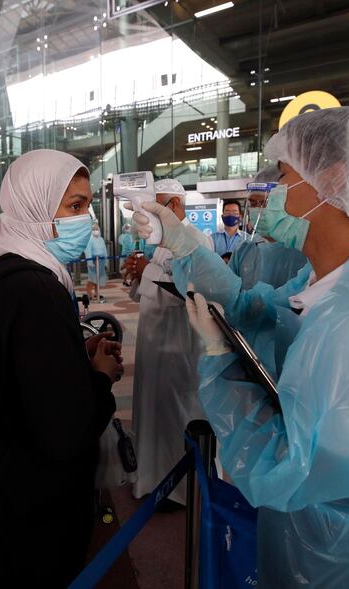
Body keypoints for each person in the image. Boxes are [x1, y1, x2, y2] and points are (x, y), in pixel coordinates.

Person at [134, 107, 349, 587]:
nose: (270, 194)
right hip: (309, 524)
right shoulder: (339, 274)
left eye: (281, 177)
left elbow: (286, 470)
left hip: (324, 538)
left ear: (333, 180)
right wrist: (183, 244)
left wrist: (222, 368)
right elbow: (253, 308)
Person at [0, 149, 122, 587]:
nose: (87, 219)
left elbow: (15, 374)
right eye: (74, 206)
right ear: (33, 207)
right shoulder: (35, 289)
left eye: (87, 205)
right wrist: (99, 377)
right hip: (32, 513)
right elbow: (64, 431)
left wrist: (74, 353)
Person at [123, 177, 213, 507]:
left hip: (179, 347)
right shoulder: (161, 241)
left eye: (156, 205)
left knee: (177, 413)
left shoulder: (197, 239)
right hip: (153, 344)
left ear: (173, 205)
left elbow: (194, 291)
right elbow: (147, 289)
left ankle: (179, 490)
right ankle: (151, 479)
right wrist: (136, 274)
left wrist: (149, 268)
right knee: (151, 409)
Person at [230, 165, 308, 289]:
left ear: (284, 201)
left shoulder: (304, 248)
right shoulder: (245, 249)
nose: (256, 210)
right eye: (253, 203)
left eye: (263, 203)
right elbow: (230, 294)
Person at [85, 223, 108, 302]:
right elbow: (88, 251)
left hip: (101, 261)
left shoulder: (101, 239)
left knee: (98, 279)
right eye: (94, 229)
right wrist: (90, 262)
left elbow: (105, 250)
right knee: (91, 279)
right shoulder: (90, 240)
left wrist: (106, 262)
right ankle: (89, 294)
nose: (95, 231)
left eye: (97, 229)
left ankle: (97, 293)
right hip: (93, 261)